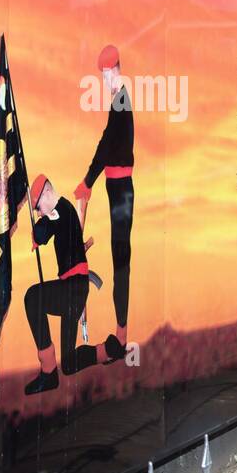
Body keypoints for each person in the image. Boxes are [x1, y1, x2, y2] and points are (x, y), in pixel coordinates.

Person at [74, 45, 133, 364]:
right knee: (118, 256)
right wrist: (90, 181)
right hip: (115, 185)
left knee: (121, 258)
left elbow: (107, 145)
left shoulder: (121, 100)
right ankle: (120, 336)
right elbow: (105, 143)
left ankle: (121, 337)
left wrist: (88, 181)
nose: (106, 79)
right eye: (103, 75)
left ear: (118, 70)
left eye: (109, 73)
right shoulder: (117, 101)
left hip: (121, 187)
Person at [23, 175, 103, 395]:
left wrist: (37, 229)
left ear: (48, 194)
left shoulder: (61, 208)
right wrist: (39, 231)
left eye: (38, 207)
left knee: (32, 297)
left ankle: (48, 372)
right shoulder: (65, 212)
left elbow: (42, 232)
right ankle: (106, 351)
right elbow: (45, 232)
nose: (39, 212)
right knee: (68, 364)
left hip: (72, 287)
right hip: (75, 289)